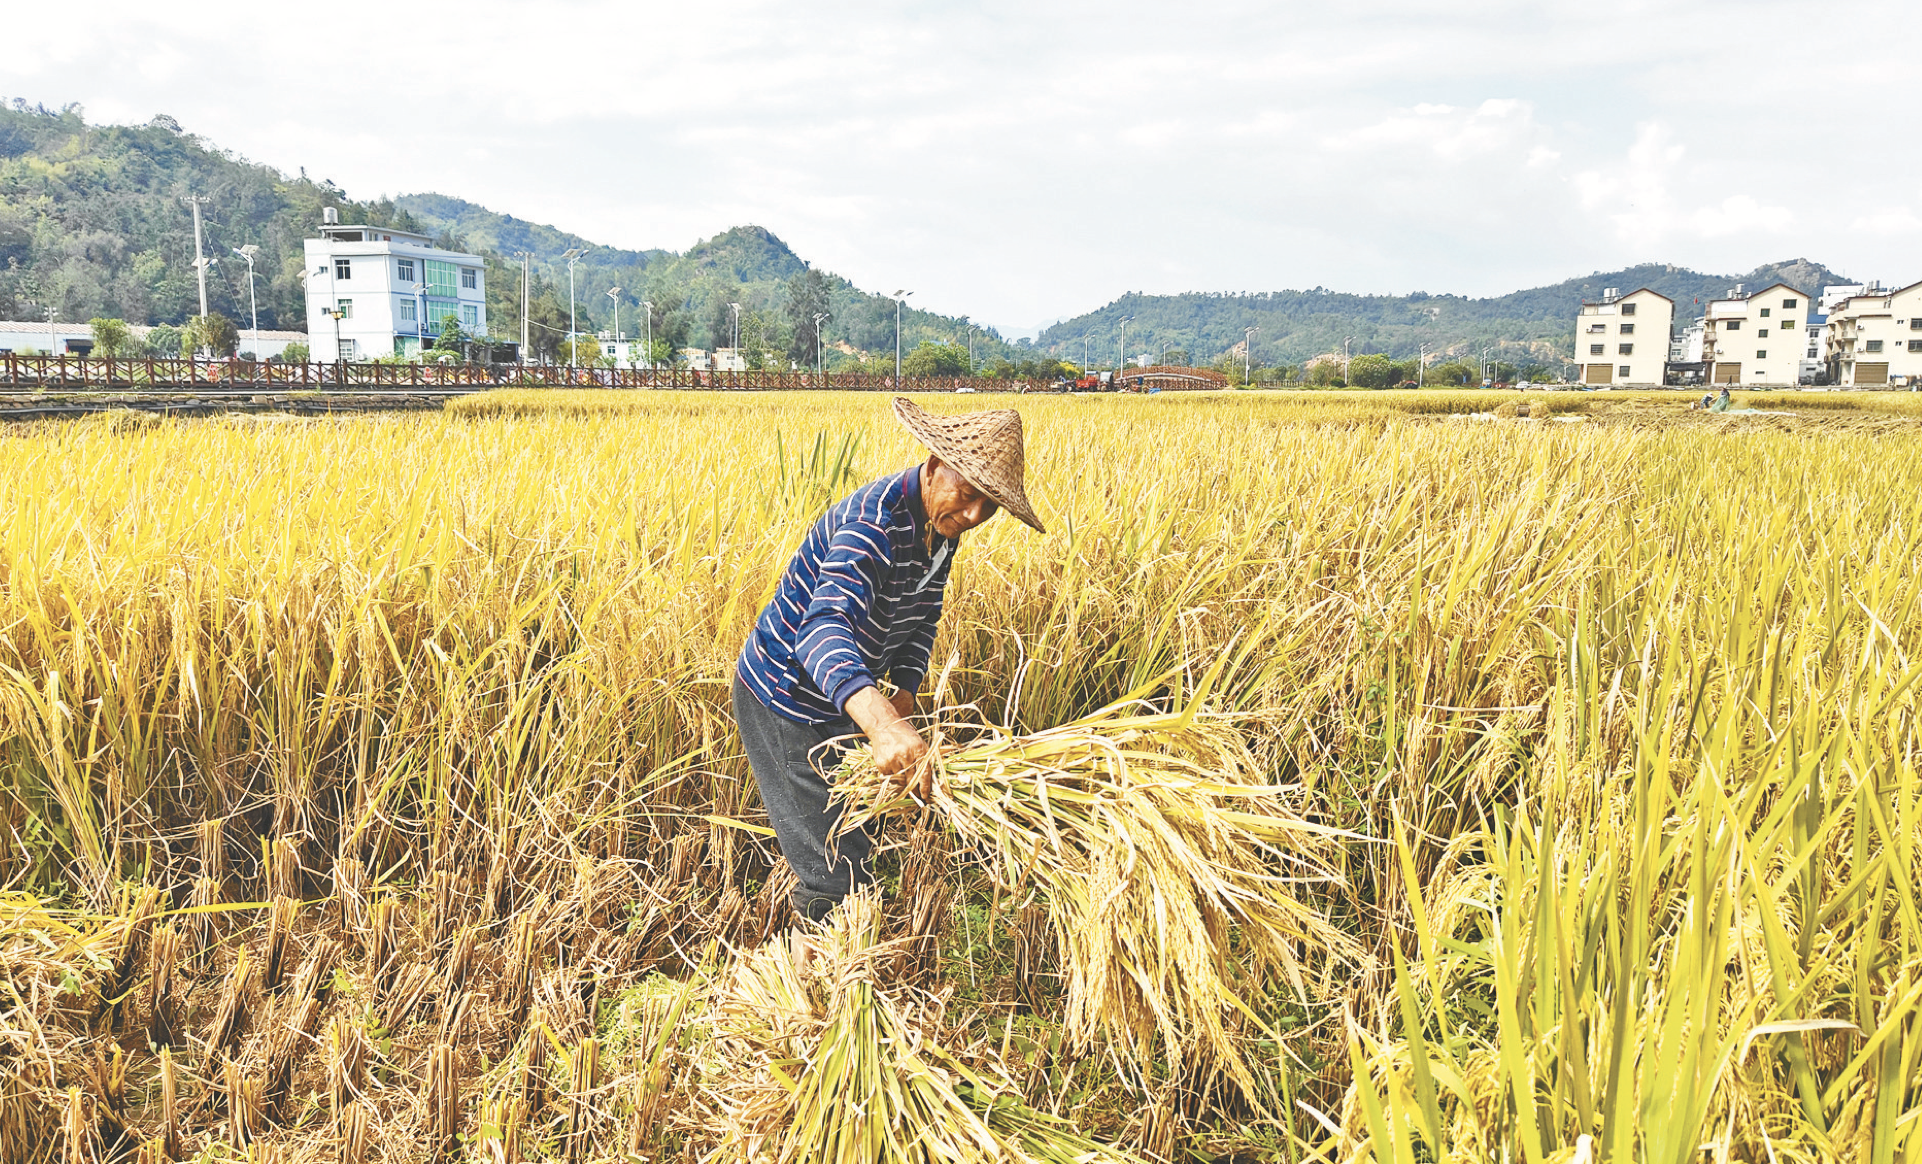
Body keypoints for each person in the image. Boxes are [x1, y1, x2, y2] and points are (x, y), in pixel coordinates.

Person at [733, 397, 1047, 921]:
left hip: (840, 699)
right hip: (785, 699)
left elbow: (924, 613)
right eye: (967, 495)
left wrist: (903, 690)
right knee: (836, 872)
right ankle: (813, 990)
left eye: (988, 507)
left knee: (850, 833)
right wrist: (882, 726)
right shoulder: (873, 525)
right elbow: (820, 630)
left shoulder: (940, 529)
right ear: (933, 464)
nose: (972, 516)